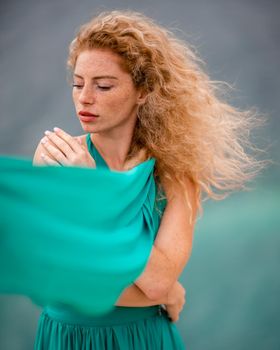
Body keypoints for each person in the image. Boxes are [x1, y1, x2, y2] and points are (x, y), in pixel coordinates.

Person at [30, 10, 265, 350]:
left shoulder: (173, 173)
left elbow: (156, 281)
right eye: (78, 84)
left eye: (104, 85)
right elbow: (59, 282)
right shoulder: (54, 158)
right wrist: (166, 291)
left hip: (146, 338)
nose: (84, 98)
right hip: (70, 339)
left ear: (142, 91)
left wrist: (96, 194)